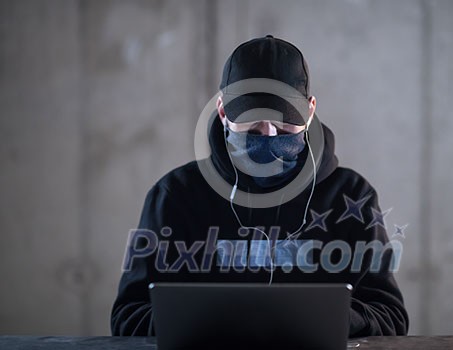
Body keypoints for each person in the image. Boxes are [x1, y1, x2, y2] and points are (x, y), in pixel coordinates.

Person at [111, 35, 409, 337]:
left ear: (309, 111)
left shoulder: (351, 196)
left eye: (284, 122)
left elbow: (391, 317)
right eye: (253, 122)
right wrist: (215, 323)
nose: (268, 134)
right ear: (224, 112)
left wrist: (326, 319)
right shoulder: (174, 196)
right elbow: (128, 317)